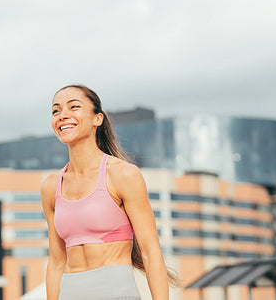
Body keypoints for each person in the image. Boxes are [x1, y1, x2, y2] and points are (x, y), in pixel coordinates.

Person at [40, 84, 178, 300]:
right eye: (56, 111)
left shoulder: (123, 175)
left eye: (73, 107)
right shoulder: (51, 185)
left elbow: (151, 253)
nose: (63, 115)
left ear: (98, 119)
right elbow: (57, 262)